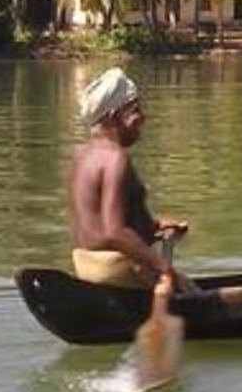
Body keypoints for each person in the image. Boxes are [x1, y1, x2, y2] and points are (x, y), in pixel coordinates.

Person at [67, 67, 191, 289]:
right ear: (115, 116)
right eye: (135, 110)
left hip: (88, 271)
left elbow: (97, 226)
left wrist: (153, 227)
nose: (142, 118)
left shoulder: (80, 155)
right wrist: (163, 268)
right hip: (120, 272)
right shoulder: (115, 158)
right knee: (195, 293)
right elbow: (114, 232)